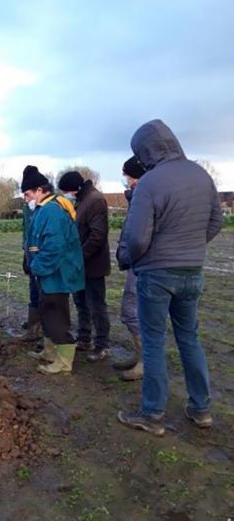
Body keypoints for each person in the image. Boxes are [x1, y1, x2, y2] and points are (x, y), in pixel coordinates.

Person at [117, 119, 223, 436]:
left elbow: (136, 238)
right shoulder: (201, 175)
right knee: (189, 338)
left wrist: (127, 258)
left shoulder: (150, 182)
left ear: (147, 150)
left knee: (153, 342)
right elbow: (215, 221)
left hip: (156, 275)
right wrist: (189, 248)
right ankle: (201, 408)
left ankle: (152, 414)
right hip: (192, 272)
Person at [21, 165, 85, 374]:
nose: (26, 198)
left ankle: (64, 362)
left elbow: (53, 247)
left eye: (28, 194)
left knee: (56, 314)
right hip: (47, 275)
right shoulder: (44, 208)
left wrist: (37, 267)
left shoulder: (52, 210)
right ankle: (49, 352)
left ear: (40, 190)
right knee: (46, 312)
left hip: (56, 274)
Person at [58, 170, 111, 361]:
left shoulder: (95, 200)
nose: (66, 195)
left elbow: (98, 235)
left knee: (96, 305)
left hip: (93, 265)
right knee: (81, 303)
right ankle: (84, 338)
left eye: (66, 191)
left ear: (75, 188)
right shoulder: (82, 200)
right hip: (79, 265)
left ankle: (101, 345)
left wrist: (79, 256)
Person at [112, 156, 146, 381]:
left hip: (143, 263)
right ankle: (140, 356)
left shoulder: (145, 196)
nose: (126, 180)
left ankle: (146, 362)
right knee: (133, 311)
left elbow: (140, 234)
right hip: (136, 262)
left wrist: (131, 254)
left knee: (132, 311)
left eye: (129, 176)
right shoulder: (136, 197)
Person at [19, 198, 41, 341]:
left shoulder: (46, 208)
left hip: (41, 255)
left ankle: (42, 327)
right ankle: (33, 325)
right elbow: (25, 231)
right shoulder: (27, 207)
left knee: (43, 292)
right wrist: (25, 255)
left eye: (28, 195)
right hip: (30, 253)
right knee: (33, 289)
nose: (26, 198)